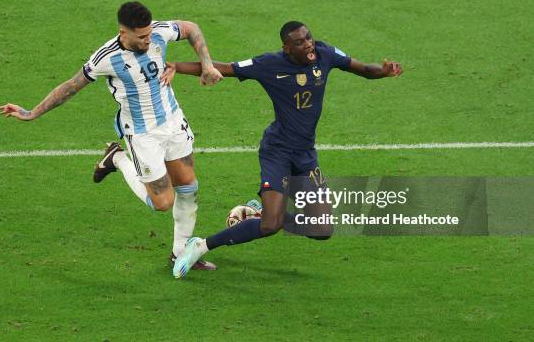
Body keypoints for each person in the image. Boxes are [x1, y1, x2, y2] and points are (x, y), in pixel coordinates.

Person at [167, 21, 403, 278]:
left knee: (322, 230)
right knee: (270, 226)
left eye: (309, 38)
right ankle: (201, 246)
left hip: (305, 156)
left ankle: (259, 214)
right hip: (277, 151)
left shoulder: (325, 54)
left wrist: (384, 71)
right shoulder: (270, 64)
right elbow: (226, 68)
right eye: (300, 42)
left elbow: (365, 69)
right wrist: (177, 67)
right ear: (287, 48)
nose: (309, 44)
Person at [0, 1, 223, 271]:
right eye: (141, 37)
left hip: (173, 121)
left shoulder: (159, 33)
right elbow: (71, 86)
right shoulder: (105, 58)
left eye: (149, 33)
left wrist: (207, 65)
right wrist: (32, 112)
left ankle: (181, 253)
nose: (148, 40)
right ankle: (117, 158)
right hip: (142, 134)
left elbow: (191, 28)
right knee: (163, 202)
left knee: (188, 187)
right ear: (123, 32)